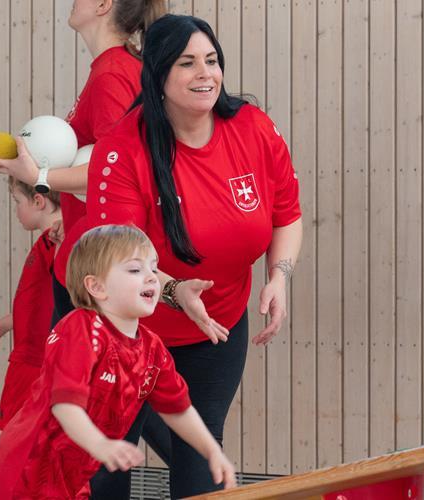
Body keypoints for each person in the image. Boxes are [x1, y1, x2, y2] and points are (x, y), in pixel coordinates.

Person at [85, 14, 303, 497]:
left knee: (201, 457)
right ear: (159, 75)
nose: (205, 73)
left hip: (216, 329)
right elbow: (116, 259)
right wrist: (172, 289)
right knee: (108, 465)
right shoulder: (122, 150)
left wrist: (278, 276)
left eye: (211, 60)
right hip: (127, 333)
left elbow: (286, 214)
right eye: (187, 63)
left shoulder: (252, 127)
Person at [0, 225, 236, 499]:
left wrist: (212, 451)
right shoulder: (80, 330)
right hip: (29, 471)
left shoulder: (152, 349)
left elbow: (177, 409)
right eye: (134, 270)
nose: (152, 278)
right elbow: (65, 406)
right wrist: (102, 445)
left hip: (75, 475)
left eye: (154, 268)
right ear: (96, 286)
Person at [0, 0, 167, 322]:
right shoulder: (114, 69)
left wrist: (37, 174)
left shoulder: (112, 74)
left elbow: (119, 171)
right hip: (94, 255)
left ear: (103, 5)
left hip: (97, 265)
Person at [0, 177, 61, 430]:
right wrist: (5, 324)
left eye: (17, 201)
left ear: (38, 201)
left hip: (37, 361)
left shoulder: (54, 242)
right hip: (31, 356)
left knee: (19, 442)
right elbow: (46, 301)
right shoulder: (49, 242)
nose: (16, 210)